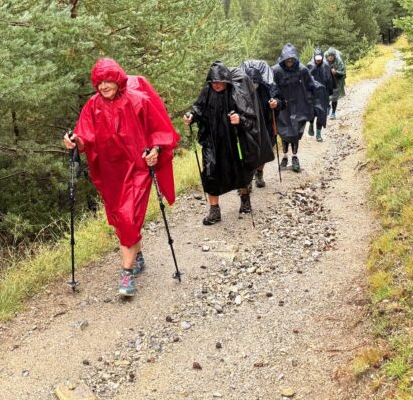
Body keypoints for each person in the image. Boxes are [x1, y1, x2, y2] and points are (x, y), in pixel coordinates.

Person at [63, 58, 179, 298]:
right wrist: (74, 141)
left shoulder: (139, 101)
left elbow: (159, 130)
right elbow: (85, 138)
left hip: (137, 168)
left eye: (108, 80)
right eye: (99, 82)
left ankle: (126, 273)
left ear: (117, 79)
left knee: (128, 215)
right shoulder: (92, 106)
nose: (104, 86)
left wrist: (155, 150)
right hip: (110, 172)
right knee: (121, 218)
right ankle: (137, 254)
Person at [184, 61, 265, 224]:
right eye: (213, 82)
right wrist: (191, 116)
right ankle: (214, 211)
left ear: (226, 80)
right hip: (212, 140)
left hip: (234, 140)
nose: (217, 85)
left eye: (220, 82)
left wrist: (239, 119)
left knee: (240, 169)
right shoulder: (208, 90)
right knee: (210, 173)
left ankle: (245, 198)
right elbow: (198, 108)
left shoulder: (235, 92)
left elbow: (250, 119)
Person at [271, 43, 320, 173]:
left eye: (292, 59)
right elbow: (271, 87)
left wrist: (316, 96)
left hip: (299, 105)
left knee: (296, 131)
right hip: (282, 106)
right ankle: (285, 156)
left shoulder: (302, 69)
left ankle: (294, 157)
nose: (290, 61)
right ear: (283, 59)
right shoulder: (276, 70)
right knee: (284, 131)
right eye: (287, 59)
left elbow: (310, 84)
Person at [241, 59, 279, 188]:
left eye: (255, 82)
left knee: (264, 151)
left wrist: (276, 103)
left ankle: (259, 173)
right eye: (251, 82)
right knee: (248, 152)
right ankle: (248, 178)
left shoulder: (268, 89)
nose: (253, 85)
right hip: (247, 126)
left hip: (265, 124)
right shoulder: (241, 91)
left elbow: (281, 101)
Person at [307, 47, 335, 142]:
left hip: (323, 94)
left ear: (322, 57)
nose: (318, 60)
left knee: (321, 114)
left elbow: (330, 81)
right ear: (314, 57)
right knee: (312, 113)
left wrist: (329, 94)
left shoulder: (327, 66)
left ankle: (318, 134)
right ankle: (311, 124)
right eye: (317, 59)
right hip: (312, 94)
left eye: (320, 59)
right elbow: (306, 81)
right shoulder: (310, 66)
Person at [325, 47, 346, 119]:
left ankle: (333, 113)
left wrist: (336, 72)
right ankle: (328, 106)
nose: (330, 57)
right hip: (327, 79)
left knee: (334, 97)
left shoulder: (339, 61)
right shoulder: (324, 58)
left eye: (332, 56)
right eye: (329, 56)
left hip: (337, 79)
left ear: (334, 56)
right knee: (325, 93)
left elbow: (343, 72)